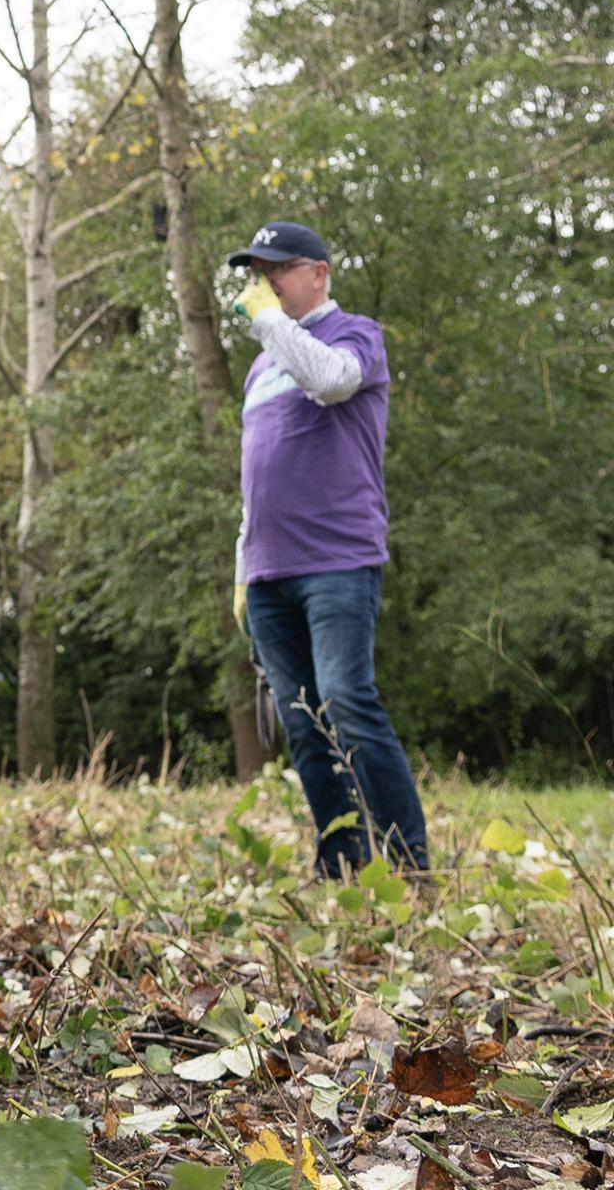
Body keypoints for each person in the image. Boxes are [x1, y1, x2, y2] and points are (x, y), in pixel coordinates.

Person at [228, 219, 430, 875]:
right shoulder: (263, 366)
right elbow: (255, 475)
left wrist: (268, 324)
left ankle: (410, 863)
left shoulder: (355, 335)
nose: (267, 283)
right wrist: (241, 570)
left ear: (318, 272)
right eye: (259, 272)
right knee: (304, 724)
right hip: (267, 575)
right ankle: (342, 863)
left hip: (338, 561)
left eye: (278, 268)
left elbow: (332, 382)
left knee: (346, 699)